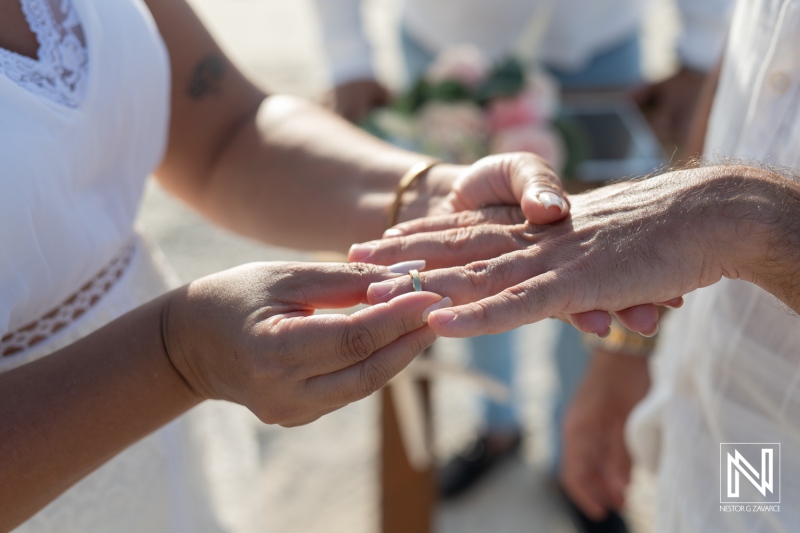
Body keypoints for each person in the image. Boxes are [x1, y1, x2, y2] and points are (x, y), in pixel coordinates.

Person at [0, 0, 635, 531]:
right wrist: (176, 355)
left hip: (157, 449)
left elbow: (226, 130)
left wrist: (430, 196)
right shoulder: (174, 357)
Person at [350, 0, 800, 528]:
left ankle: (557, 462)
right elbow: (757, 53)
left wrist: (730, 215)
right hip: (720, 386)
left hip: (778, 419)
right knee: (520, 270)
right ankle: (500, 428)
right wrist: (626, 351)